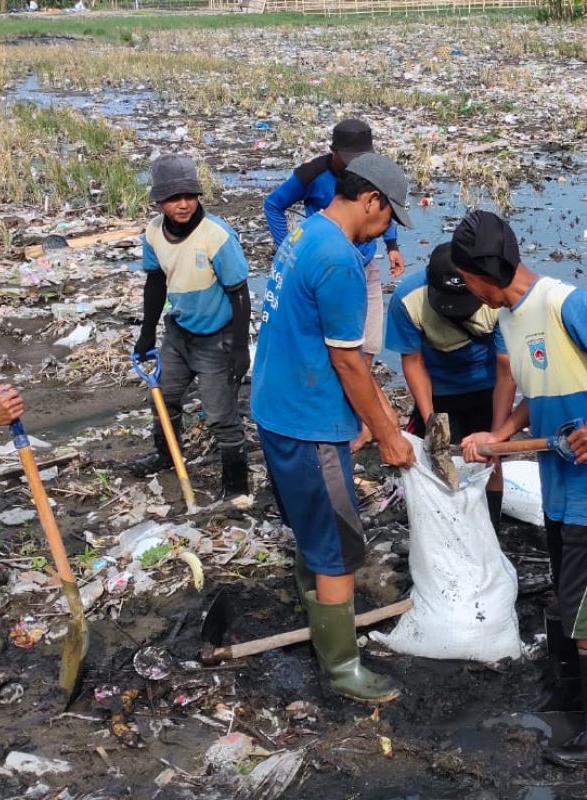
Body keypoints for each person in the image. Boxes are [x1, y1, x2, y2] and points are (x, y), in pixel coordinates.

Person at [455, 211, 587, 768]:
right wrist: (496, 437)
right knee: (572, 598)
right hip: (562, 485)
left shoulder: (562, 302)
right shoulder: (511, 317)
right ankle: (572, 699)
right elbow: (539, 392)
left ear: (483, 273)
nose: (467, 290)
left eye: (466, 279)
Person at [251, 152, 416, 704]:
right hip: (308, 419)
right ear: (371, 200)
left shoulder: (303, 232)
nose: (388, 228)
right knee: (341, 544)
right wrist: (387, 431)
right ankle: (343, 668)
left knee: (310, 521)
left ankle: (312, 599)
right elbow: (348, 362)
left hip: (274, 407)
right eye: (389, 215)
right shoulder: (342, 262)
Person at [130, 153, 252, 501]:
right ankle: (166, 455)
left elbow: (240, 294)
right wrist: (146, 333)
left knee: (220, 416)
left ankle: (236, 485)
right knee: (163, 398)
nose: (183, 205)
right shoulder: (154, 232)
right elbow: (155, 284)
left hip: (217, 338)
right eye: (173, 198)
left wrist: (241, 348)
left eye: (189, 196)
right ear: (159, 201)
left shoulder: (216, 235)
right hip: (179, 333)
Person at [386, 243, 514, 530]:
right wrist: (431, 418)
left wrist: (498, 432)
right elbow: (413, 361)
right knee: (439, 462)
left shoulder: (495, 299)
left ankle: (490, 530)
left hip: (488, 388)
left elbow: (507, 370)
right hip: (439, 390)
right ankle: (448, 532)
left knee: (490, 463)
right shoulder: (408, 299)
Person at [263, 119, 405, 377]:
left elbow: (385, 208)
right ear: (334, 151)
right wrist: (286, 246)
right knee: (335, 344)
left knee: (369, 340)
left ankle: (358, 389)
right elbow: (273, 204)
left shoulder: (372, 172)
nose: (355, 166)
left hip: (363, 263)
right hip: (328, 268)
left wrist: (392, 245)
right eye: (349, 159)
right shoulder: (311, 174)